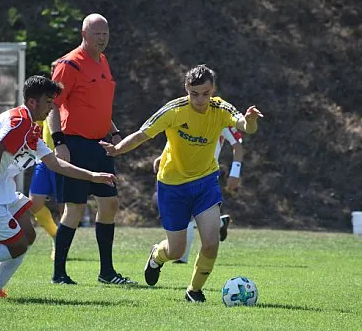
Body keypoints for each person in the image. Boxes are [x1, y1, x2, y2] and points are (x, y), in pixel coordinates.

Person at [0, 75, 117, 298]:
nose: (52, 107)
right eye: (49, 101)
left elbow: (54, 163)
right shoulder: (19, 122)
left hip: (0, 191)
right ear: (33, 102)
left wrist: (92, 176)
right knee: (17, 245)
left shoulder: (29, 127)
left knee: (27, 235)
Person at [100, 64, 263, 302]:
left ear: (213, 90)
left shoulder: (220, 108)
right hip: (172, 185)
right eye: (194, 93)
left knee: (210, 243)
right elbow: (143, 133)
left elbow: (246, 128)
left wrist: (250, 120)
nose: (200, 99)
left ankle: (194, 290)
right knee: (176, 250)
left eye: (206, 93)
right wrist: (117, 148)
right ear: (186, 88)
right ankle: (156, 256)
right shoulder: (174, 110)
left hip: (205, 182)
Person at [47, 13, 136, 285]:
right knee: (74, 209)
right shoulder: (69, 65)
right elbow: (52, 105)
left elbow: (98, 106)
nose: (102, 38)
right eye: (97, 33)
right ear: (84, 34)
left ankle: (106, 273)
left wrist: (116, 132)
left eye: (105, 34)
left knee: (110, 204)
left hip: (100, 146)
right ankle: (59, 273)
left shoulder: (104, 62)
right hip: (74, 143)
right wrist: (59, 142)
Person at [152, 125, 244, 263]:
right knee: (190, 215)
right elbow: (178, 139)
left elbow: (238, 145)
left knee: (190, 215)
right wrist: (163, 155)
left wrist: (235, 173)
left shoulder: (221, 114)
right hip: (179, 174)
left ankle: (181, 258)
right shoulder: (187, 110)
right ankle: (219, 223)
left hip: (206, 176)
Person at [28, 120, 61, 260]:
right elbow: (37, 124)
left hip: (63, 161)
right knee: (34, 205)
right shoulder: (47, 103)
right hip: (43, 161)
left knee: (65, 208)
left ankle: (62, 247)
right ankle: (56, 237)